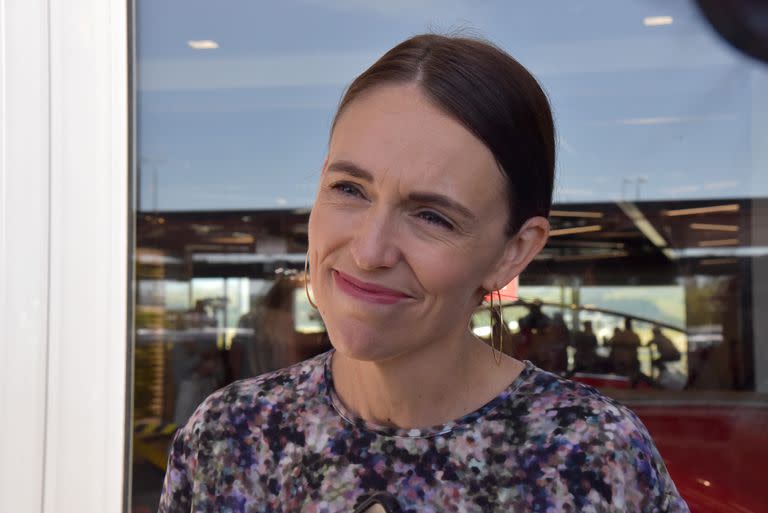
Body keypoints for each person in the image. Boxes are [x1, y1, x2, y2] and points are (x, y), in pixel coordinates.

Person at [158, 34, 689, 512]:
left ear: (513, 252)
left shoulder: (589, 456)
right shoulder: (231, 437)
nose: (369, 251)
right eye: (349, 189)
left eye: (432, 216)